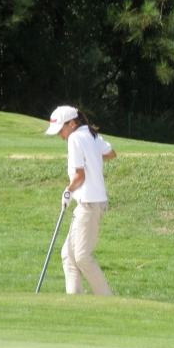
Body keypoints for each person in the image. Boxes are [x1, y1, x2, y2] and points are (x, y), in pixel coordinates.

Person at [45, 106, 116, 296]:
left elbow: (79, 176)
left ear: (72, 123)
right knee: (68, 255)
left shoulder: (75, 138)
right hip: (92, 203)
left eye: (61, 129)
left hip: (89, 204)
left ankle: (109, 301)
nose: (60, 134)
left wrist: (67, 191)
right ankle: (75, 302)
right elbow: (110, 153)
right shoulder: (91, 135)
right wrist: (92, 157)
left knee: (82, 257)